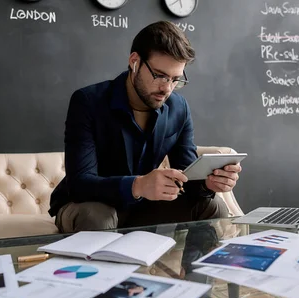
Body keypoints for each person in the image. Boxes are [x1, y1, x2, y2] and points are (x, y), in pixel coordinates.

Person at [49, 21, 242, 232]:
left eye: (175, 80)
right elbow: (80, 185)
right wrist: (138, 185)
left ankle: (198, 266)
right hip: (84, 205)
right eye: (159, 75)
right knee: (98, 217)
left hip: (142, 207)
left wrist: (208, 184)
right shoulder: (88, 101)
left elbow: (187, 177)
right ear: (135, 62)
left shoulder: (178, 108)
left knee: (212, 206)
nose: (166, 88)